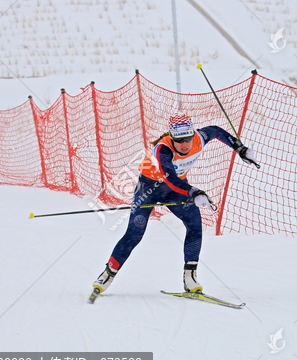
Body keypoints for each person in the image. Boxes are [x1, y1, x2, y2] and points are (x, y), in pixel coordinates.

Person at [92, 112, 258, 294]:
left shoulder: (199, 138)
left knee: (195, 223)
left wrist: (240, 149)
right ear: (171, 137)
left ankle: (190, 278)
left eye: (187, 138)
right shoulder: (163, 149)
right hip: (149, 187)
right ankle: (109, 273)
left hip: (175, 190)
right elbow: (170, 178)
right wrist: (194, 192)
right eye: (179, 140)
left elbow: (216, 131)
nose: (184, 144)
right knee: (135, 233)